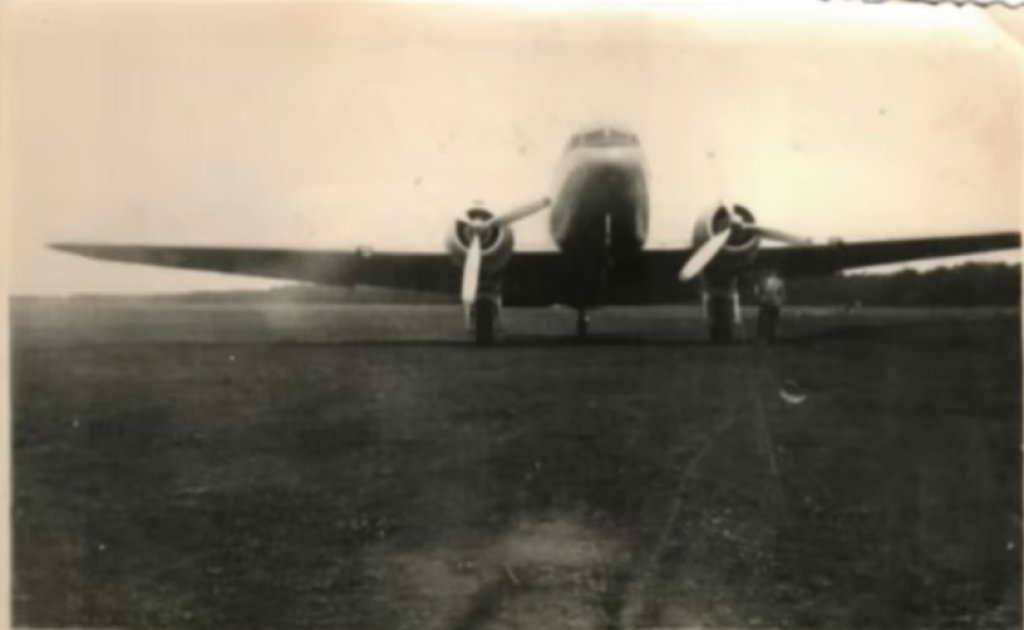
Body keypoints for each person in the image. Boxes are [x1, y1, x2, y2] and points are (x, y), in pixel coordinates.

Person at [756, 272, 786, 342]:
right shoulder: (779, 282)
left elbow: (758, 291)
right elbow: (782, 293)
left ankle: (763, 336)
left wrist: (760, 299)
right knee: (773, 320)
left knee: (764, 320)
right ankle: (771, 335)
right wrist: (781, 301)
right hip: (775, 302)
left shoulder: (764, 281)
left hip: (765, 302)